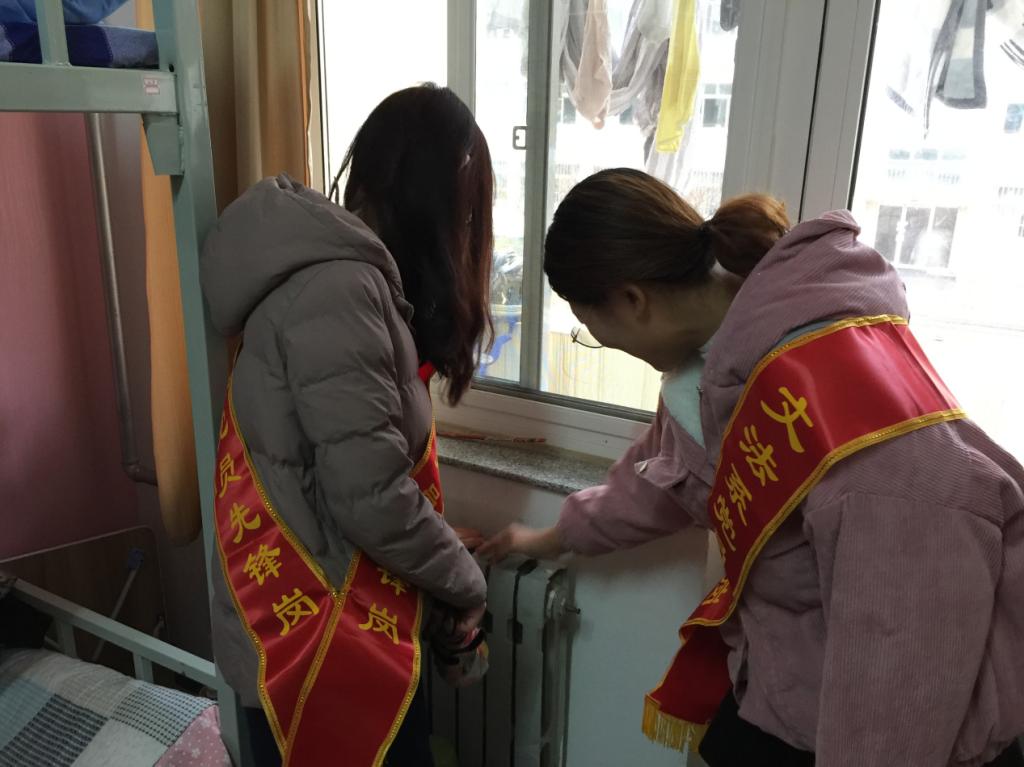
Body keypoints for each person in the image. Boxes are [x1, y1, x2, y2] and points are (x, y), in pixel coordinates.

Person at [480, 168, 1024, 767]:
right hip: (785, 684)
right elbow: (660, 481)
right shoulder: (715, 368)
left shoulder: (851, 420)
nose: (605, 343)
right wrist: (548, 537)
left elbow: (899, 675)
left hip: (887, 722)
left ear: (633, 301)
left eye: (592, 330)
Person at [201, 85, 493, 767]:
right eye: (469, 210)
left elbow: (350, 470)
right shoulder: (340, 288)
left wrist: (438, 553)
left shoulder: (350, 279)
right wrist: (465, 581)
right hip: (321, 645)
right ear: (439, 202)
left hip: (337, 622)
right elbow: (370, 497)